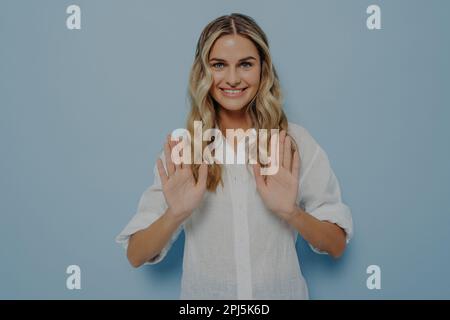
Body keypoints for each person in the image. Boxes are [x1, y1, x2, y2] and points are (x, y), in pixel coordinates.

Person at [116, 13, 353, 299]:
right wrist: (175, 213)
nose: (232, 79)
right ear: (203, 72)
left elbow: (337, 244)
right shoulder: (186, 149)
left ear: (263, 70)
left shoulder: (294, 142)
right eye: (218, 65)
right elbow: (136, 254)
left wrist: (292, 212)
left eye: (245, 64)